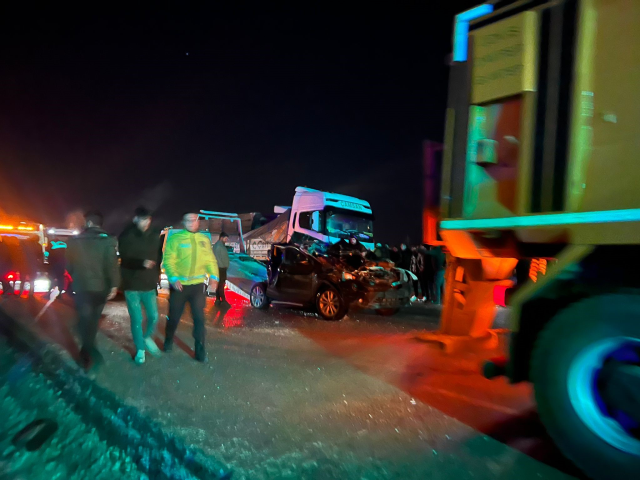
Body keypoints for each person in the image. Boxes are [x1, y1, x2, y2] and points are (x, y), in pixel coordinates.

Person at [66, 211, 119, 372]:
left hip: (81, 287)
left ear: (88, 223)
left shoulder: (74, 241)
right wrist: (114, 285)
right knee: (92, 319)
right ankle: (88, 353)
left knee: (84, 319)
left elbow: (68, 266)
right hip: (101, 288)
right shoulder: (108, 241)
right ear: (100, 224)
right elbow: (112, 265)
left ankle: (88, 353)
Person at [163, 212, 219, 362]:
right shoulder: (175, 238)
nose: (191, 222)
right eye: (188, 220)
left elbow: (210, 260)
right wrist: (174, 278)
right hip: (179, 287)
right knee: (174, 318)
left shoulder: (204, 239)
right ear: (184, 222)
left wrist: (214, 277)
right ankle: (168, 339)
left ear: (198, 221)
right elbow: (168, 260)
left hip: (197, 287)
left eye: (194, 220)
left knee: (199, 320)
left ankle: (200, 352)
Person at [118, 207, 162, 365]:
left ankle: (147, 337)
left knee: (154, 316)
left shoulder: (155, 235)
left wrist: (156, 276)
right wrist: (141, 263)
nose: (146, 223)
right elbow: (124, 259)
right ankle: (140, 350)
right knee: (136, 319)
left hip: (149, 284)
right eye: (143, 220)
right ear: (135, 219)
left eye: (148, 220)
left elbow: (158, 257)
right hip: (132, 285)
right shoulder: (126, 235)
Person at [212, 232, 230, 305]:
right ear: (221, 238)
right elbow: (218, 258)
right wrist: (223, 266)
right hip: (220, 268)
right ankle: (223, 300)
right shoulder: (219, 246)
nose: (226, 240)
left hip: (220, 267)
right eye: (225, 238)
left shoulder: (219, 245)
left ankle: (218, 299)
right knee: (221, 284)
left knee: (219, 284)